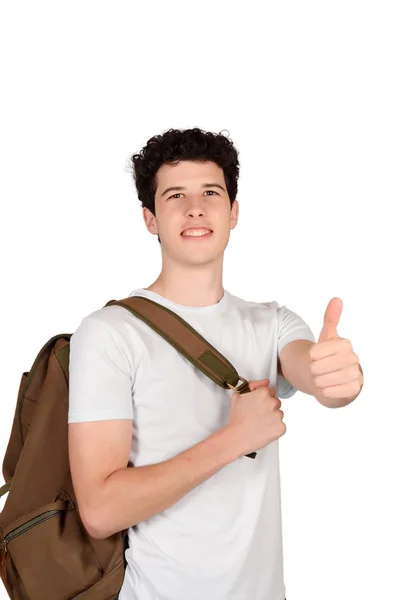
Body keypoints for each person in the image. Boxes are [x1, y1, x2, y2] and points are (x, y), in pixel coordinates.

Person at [67, 127, 316, 600]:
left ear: (233, 212)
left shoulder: (271, 323)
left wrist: (336, 375)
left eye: (210, 192)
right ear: (150, 218)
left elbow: (315, 372)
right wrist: (235, 439)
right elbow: (99, 510)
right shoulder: (109, 333)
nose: (195, 207)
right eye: (175, 195)